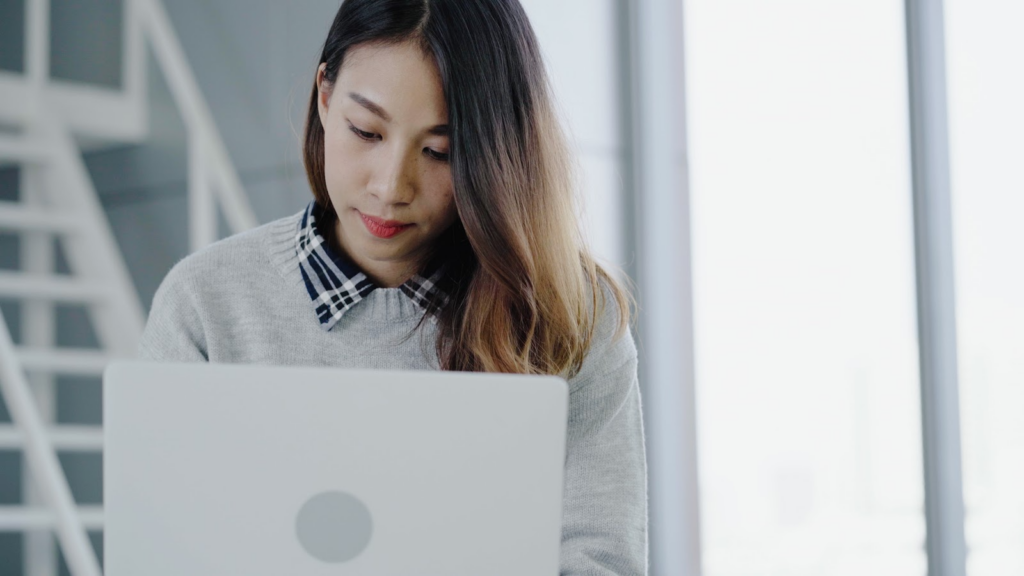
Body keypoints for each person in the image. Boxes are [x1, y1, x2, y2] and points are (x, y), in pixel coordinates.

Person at [139, 0, 648, 573]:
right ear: (325, 99)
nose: (390, 187)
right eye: (366, 131)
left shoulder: (571, 316)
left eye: (439, 152)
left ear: (496, 155)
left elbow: (602, 560)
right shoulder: (205, 305)